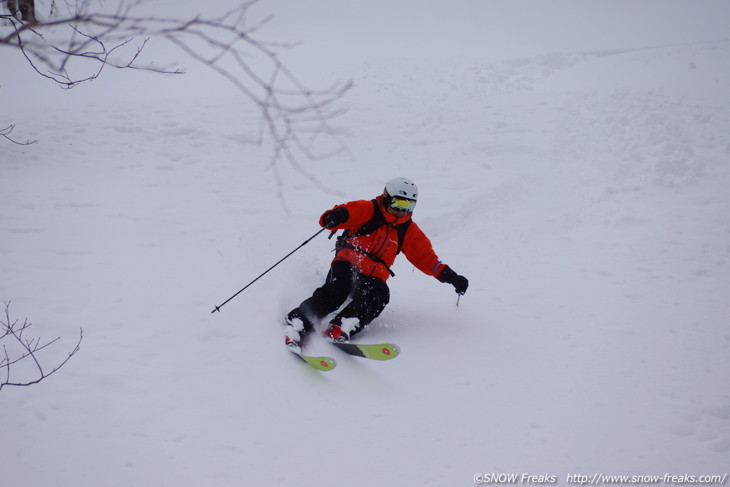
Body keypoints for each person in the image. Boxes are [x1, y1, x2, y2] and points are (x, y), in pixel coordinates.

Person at [284, 177, 469, 352]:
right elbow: (338, 216)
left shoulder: (408, 230)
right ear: (387, 198)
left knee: (380, 294)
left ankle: (342, 327)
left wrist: (451, 277)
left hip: (373, 276)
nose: (402, 210)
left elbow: (426, 258)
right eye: (398, 203)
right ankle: (298, 322)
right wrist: (335, 216)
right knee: (338, 289)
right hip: (348, 262)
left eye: (409, 205)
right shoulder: (368, 210)